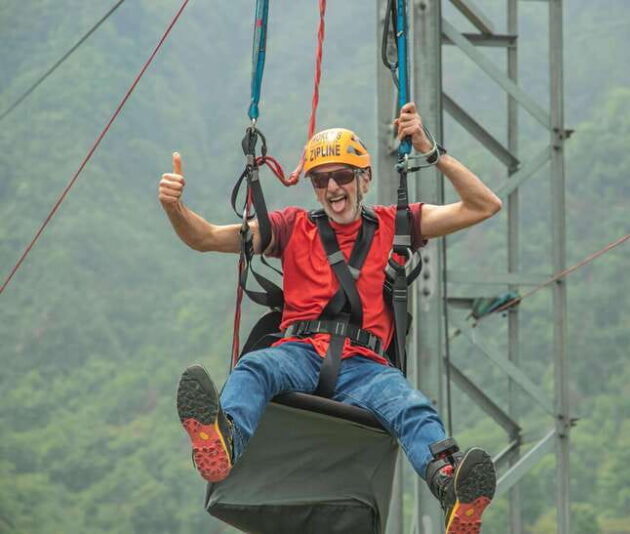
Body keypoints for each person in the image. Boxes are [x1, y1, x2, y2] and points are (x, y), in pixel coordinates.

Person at [159, 102, 502, 533]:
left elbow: (484, 205)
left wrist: (428, 149)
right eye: (321, 180)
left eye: (342, 176)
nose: (333, 188)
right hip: (299, 352)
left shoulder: (397, 224)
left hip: (366, 366)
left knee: (410, 407)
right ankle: (223, 441)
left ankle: (451, 487)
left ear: (365, 178)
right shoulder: (292, 227)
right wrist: (175, 207)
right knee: (256, 368)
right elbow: (206, 238)